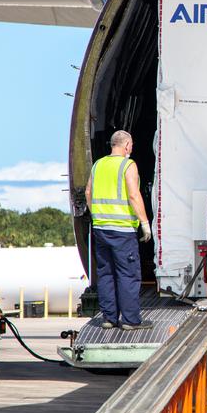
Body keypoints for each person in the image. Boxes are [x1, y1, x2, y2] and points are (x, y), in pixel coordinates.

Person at [85, 130, 153, 331]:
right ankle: (131, 320)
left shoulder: (98, 165)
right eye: (130, 145)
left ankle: (109, 318)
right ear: (126, 145)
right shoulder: (127, 165)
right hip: (122, 231)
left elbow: (88, 191)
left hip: (101, 228)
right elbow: (133, 195)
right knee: (128, 275)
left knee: (106, 274)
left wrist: (97, 214)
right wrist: (144, 223)